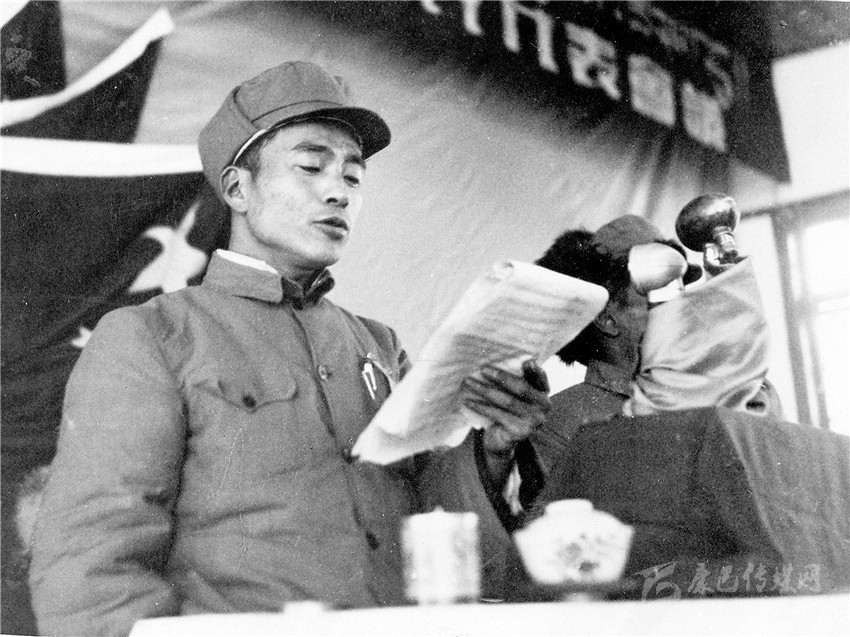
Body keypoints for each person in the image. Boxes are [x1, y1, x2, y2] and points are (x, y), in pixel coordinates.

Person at [28, 61, 551, 637]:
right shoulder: (153, 334)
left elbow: (432, 528)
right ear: (238, 188)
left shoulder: (379, 346)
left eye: (353, 177)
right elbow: (90, 562)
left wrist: (493, 449)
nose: (338, 192)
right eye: (311, 166)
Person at [530, 215, 700, 473]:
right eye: (659, 290)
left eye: (679, 290)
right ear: (605, 318)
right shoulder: (559, 425)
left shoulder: (705, 394)